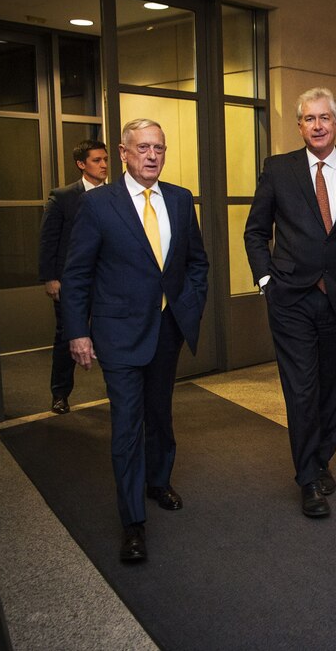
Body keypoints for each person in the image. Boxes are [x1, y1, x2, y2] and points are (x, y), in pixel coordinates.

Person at [61, 118, 209, 562]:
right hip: (118, 333)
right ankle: (132, 522)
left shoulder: (181, 201)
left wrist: (189, 305)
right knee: (127, 424)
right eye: (142, 148)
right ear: (124, 154)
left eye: (158, 148)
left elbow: (197, 262)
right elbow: (77, 274)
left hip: (167, 331)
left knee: (160, 414)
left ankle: (158, 481)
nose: (152, 155)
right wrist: (77, 331)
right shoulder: (99, 204)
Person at [244, 87, 336, 518]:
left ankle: (322, 457)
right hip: (292, 299)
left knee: (335, 391)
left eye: (324, 118)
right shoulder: (278, 170)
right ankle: (308, 478)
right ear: (299, 125)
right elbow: (255, 231)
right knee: (301, 390)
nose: (317, 125)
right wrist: (267, 279)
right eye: (309, 119)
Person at [38, 139, 109, 414]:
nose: (103, 165)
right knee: (68, 335)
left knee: (110, 335)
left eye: (105, 159)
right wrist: (50, 278)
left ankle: (117, 390)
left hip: (106, 280)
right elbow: (48, 241)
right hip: (71, 281)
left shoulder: (117, 194)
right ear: (81, 164)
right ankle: (60, 393)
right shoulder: (63, 197)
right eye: (96, 160)